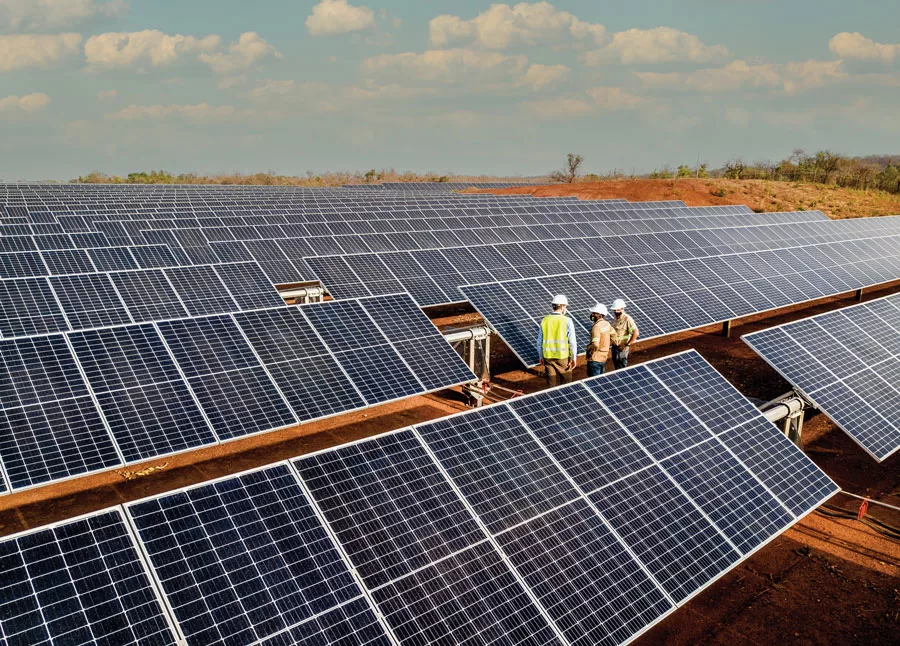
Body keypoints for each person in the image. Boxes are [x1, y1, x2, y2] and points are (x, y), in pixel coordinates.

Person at [536, 294, 577, 387]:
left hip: (548, 357)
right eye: (565, 306)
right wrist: (573, 358)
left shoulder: (545, 320)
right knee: (566, 384)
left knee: (551, 386)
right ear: (562, 306)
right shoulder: (567, 320)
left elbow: (539, 342)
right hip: (562, 358)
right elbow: (572, 342)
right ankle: (565, 401)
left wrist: (541, 356)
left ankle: (553, 400)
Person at [609, 298, 638, 370]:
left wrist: (626, 345)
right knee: (616, 366)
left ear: (622, 309)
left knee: (621, 368)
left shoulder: (627, 319)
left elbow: (636, 333)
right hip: (614, 347)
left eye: (617, 310)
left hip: (622, 348)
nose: (616, 311)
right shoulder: (616, 318)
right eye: (614, 310)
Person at [585, 303, 612, 377]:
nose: (592, 315)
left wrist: (590, 350)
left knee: (594, 382)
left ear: (600, 314)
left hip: (595, 359)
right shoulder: (607, 324)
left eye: (594, 313)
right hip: (603, 357)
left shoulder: (596, 327)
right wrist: (605, 345)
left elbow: (595, 344)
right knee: (599, 381)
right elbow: (614, 336)